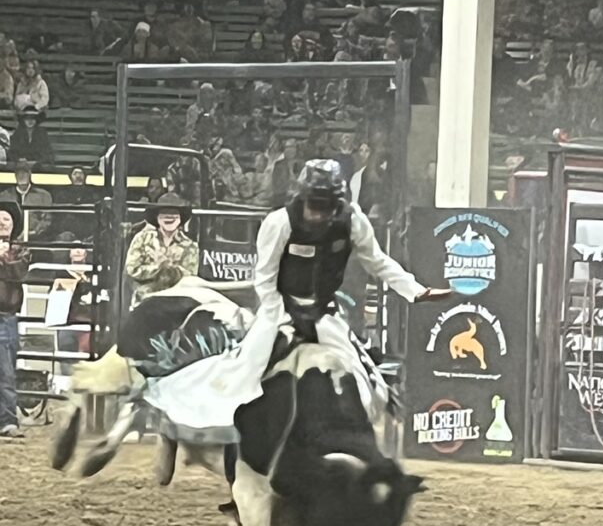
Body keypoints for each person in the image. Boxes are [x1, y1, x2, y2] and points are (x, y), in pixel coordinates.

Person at [140, 160, 450, 439]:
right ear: (301, 198)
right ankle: (220, 427)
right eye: (314, 204)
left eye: (327, 206)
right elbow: (264, 277)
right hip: (281, 309)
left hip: (324, 313)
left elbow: (378, 262)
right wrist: (281, 316)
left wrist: (416, 290)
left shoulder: (353, 222)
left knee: (362, 374)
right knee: (247, 368)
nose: (319, 213)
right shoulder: (279, 223)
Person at [124, 193, 200, 307]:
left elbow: (190, 278)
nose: (169, 217)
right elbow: (131, 269)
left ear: (180, 219)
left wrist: (171, 268)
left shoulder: (190, 246)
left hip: (177, 302)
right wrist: (158, 268)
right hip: (145, 301)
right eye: (164, 213)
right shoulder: (142, 238)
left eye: (174, 213)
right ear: (157, 218)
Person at [0, 200, 31, 439]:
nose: (2, 222)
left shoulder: (21, 249)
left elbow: (18, 273)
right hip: (7, 316)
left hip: (6, 315)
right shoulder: (18, 252)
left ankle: (8, 419)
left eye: (7, 218)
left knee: (6, 371)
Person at [0, 162, 53, 239]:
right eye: (19, 173)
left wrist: (32, 233)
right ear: (15, 176)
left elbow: (47, 220)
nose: (21, 176)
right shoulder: (4, 196)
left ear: (29, 174)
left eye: (24, 173)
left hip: (36, 239)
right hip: (8, 238)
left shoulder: (43, 196)